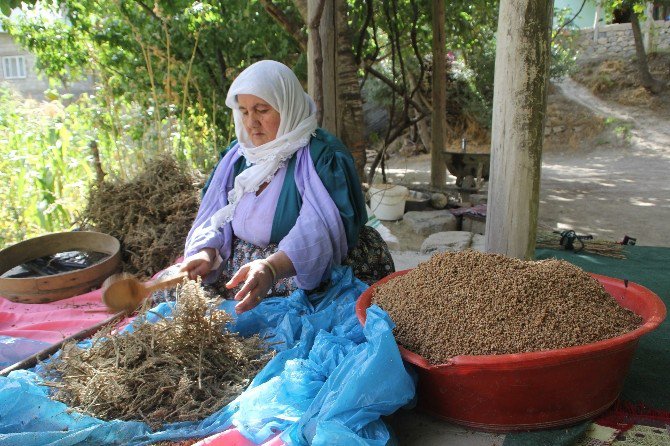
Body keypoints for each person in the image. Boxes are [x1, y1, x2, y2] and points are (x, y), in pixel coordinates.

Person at [178, 60, 394, 314]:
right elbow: (215, 213)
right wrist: (205, 253)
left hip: (303, 265)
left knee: (313, 319)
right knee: (177, 295)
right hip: (247, 267)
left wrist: (271, 268)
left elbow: (320, 228)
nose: (251, 123)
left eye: (262, 110)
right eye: (244, 111)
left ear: (287, 106)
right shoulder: (237, 157)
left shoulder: (322, 157)